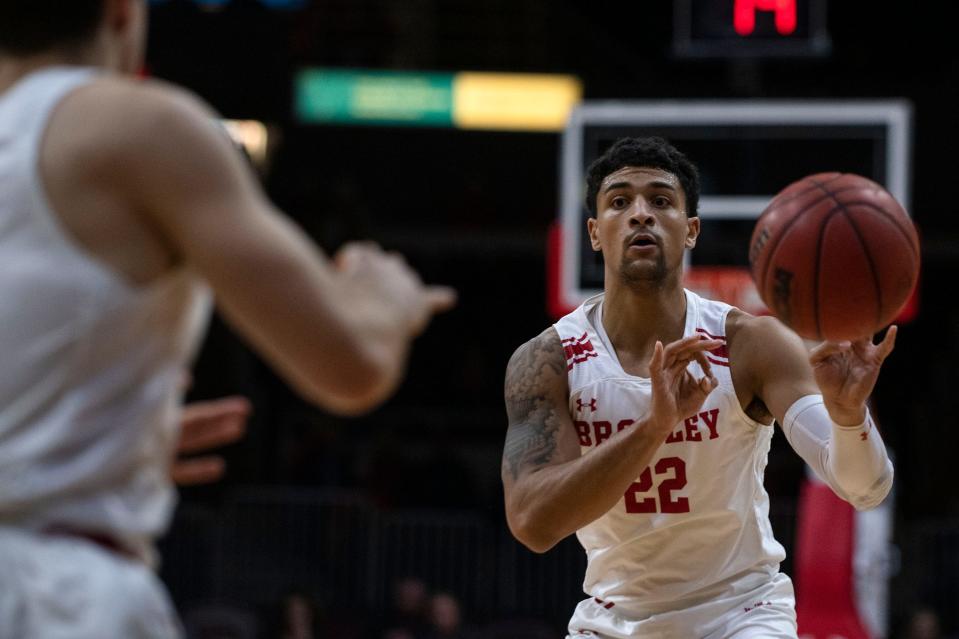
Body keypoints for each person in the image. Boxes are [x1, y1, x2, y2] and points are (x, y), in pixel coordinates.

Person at [0, 1, 455, 637]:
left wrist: (64, 447)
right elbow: (352, 366)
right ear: (123, 11)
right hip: (50, 598)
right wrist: (386, 297)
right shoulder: (135, 125)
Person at [501, 136, 894, 638]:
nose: (641, 213)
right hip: (614, 617)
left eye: (661, 201)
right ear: (595, 234)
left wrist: (847, 416)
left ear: (690, 231)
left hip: (742, 612)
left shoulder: (751, 343)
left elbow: (866, 489)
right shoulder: (548, 360)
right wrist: (655, 427)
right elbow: (533, 524)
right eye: (620, 201)